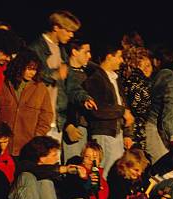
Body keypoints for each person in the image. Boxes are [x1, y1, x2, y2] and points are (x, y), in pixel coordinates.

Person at [28, 10, 81, 143]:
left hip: (56, 119)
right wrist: (54, 74)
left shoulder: (62, 50)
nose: (71, 35)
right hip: (39, 118)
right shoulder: (35, 48)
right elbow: (32, 76)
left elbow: (70, 83)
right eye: (68, 30)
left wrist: (84, 97)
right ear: (56, 27)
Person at [83, 42, 134, 177]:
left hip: (117, 133)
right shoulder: (96, 79)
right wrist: (122, 112)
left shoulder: (115, 79)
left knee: (115, 173)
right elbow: (97, 109)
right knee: (103, 173)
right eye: (119, 56)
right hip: (104, 133)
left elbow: (124, 104)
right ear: (109, 57)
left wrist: (128, 133)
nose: (121, 60)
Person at [0, 49, 53, 156]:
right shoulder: (4, 83)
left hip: (27, 148)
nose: (32, 72)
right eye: (29, 68)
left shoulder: (40, 88)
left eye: (35, 69)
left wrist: (37, 136)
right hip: (2, 146)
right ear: (20, 66)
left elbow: (46, 116)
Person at [63, 38, 97, 162]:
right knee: (74, 164)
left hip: (88, 128)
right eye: (86, 52)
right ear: (74, 52)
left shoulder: (91, 73)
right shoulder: (64, 73)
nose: (89, 55)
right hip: (74, 128)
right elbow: (60, 101)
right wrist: (68, 124)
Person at [120, 46, 153, 149]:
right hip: (136, 131)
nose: (147, 69)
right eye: (144, 66)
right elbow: (140, 107)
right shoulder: (139, 82)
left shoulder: (124, 81)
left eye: (149, 65)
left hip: (129, 129)